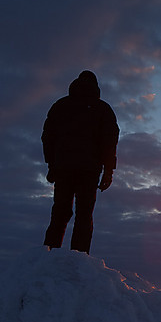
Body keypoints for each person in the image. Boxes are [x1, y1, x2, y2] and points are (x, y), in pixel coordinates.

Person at [42, 70, 120, 254]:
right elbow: (110, 143)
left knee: (59, 213)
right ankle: (78, 259)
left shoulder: (60, 106)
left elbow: (47, 138)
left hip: (63, 168)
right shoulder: (102, 109)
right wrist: (109, 171)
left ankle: (50, 256)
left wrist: (51, 165)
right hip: (89, 170)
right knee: (84, 215)